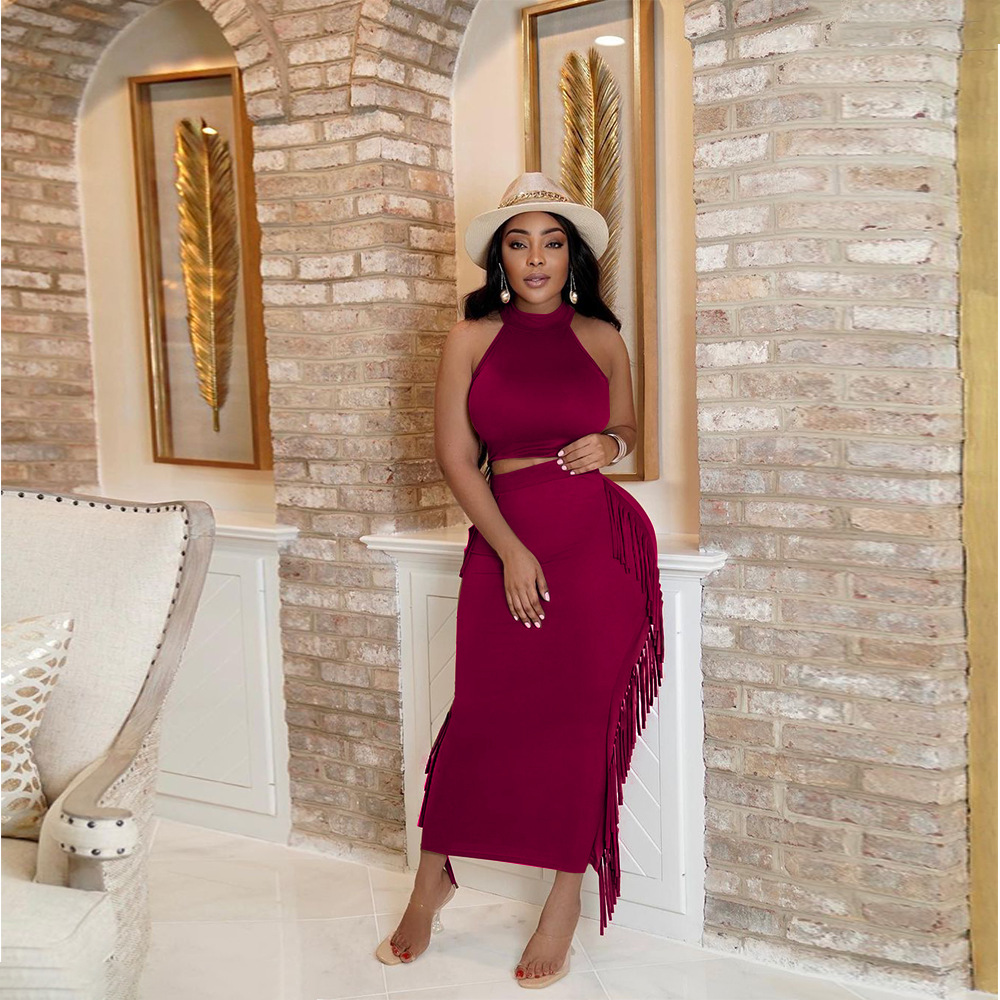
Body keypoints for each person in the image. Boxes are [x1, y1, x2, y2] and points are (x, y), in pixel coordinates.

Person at [374, 172, 664, 988]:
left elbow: (629, 427)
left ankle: (565, 897)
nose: (536, 257)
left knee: (581, 726)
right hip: (508, 538)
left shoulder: (602, 336)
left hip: (595, 549)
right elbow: (455, 457)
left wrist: (613, 443)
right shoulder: (471, 337)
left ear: (572, 256)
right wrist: (507, 550)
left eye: (552, 242)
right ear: (499, 258)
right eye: (518, 242)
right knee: (482, 718)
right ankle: (432, 880)